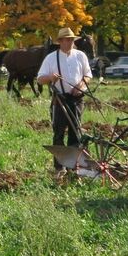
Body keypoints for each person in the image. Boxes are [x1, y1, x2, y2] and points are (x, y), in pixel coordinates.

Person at [36, 27, 92, 168]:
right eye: (67, 40)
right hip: (60, 100)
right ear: (60, 41)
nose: (69, 42)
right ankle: (59, 168)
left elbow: (88, 75)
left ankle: (74, 168)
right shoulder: (51, 58)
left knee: (75, 133)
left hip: (77, 99)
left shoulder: (81, 56)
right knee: (59, 133)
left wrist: (80, 85)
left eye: (72, 40)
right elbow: (40, 79)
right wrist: (50, 77)